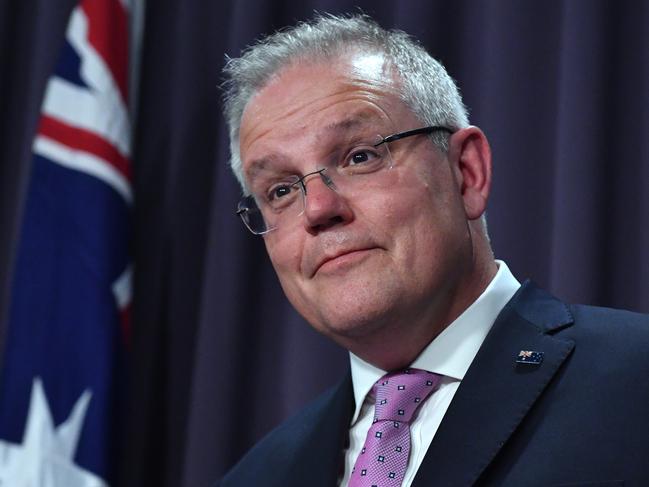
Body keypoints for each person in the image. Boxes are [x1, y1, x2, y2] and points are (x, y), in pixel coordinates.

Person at [218, 13, 649, 487]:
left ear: (466, 172)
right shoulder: (255, 477)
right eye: (280, 190)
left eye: (360, 156)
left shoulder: (635, 381)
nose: (318, 208)